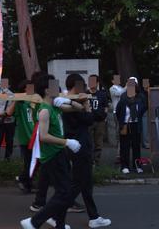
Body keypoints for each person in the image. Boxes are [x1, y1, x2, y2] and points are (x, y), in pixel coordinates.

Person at [20, 72, 83, 229]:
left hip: (59, 153)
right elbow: (43, 136)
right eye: (54, 86)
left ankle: (58, 223)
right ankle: (34, 221)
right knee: (64, 193)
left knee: (64, 191)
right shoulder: (45, 110)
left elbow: (80, 108)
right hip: (52, 156)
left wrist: (68, 100)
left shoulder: (55, 105)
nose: (58, 88)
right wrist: (67, 142)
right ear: (47, 90)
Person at [62, 74, 111, 228]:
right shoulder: (73, 102)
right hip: (80, 146)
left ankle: (94, 217)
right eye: (82, 85)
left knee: (86, 183)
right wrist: (87, 105)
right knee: (77, 184)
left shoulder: (68, 100)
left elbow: (94, 116)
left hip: (79, 145)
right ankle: (54, 213)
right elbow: (89, 119)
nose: (84, 88)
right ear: (75, 86)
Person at [6, 81, 39, 193]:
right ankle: (24, 181)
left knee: (36, 162)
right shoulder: (21, 103)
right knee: (30, 162)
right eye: (27, 88)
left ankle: (26, 183)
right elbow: (8, 112)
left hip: (36, 136)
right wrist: (16, 100)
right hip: (26, 137)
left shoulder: (36, 101)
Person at [115, 78, 146, 174]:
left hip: (136, 124)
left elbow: (143, 108)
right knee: (125, 146)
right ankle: (124, 166)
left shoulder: (140, 97)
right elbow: (118, 111)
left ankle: (137, 166)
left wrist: (137, 114)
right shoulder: (123, 97)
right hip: (125, 124)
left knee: (136, 146)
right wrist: (121, 122)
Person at [87, 75, 109, 166]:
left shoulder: (102, 94)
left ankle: (97, 161)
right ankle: (90, 161)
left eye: (93, 81)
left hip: (100, 121)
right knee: (89, 141)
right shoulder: (85, 94)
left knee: (98, 142)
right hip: (89, 121)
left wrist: (104, 116)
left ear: (97, 83)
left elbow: (106, 107)